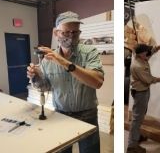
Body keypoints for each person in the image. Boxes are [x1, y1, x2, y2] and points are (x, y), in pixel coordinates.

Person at [27, 11, 104, 153]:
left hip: (87, 115)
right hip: (61, 115)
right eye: (66, 33)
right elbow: (46, 86)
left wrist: (62, 61)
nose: (71, 37)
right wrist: (35, 78)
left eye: (75, 32)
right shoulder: (47, 60)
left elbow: (97, 82)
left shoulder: (90, 52)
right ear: (56, 33)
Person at [127, 42, 160, 153]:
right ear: (140, 54)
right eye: (145, 52)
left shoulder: (141, 57)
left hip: (142, 91)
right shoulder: (138, 66)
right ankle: (132, 146)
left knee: (140, 116)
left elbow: (153, 50)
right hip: (140, 93)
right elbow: (150, 80)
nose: (148, 53)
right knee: (137, 119)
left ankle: (136, 136)